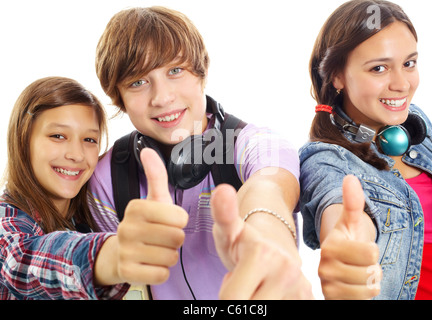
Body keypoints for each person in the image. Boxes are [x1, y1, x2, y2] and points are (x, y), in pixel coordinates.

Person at [88, 6, 313, 300]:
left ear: (201, 73)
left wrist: (269, 238)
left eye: (175, 71)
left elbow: (269, 188)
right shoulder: (106, 178)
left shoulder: (256, 144)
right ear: (119, 96)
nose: (162, 97)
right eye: (138, 82)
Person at [299, 0, 432, 300]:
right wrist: (345, 249)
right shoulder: (324, 160)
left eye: (409, 63)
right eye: (379, 68)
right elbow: (339, 213)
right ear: (337, 76)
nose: (402, 84)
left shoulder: (416, 123)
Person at [0, 76, 187, 299]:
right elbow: (22, 260)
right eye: (58, 136)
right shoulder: (6, 219)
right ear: (22, 141)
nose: (76, 155)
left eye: (89, 139)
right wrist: (114, 255)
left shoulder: (94, 212)